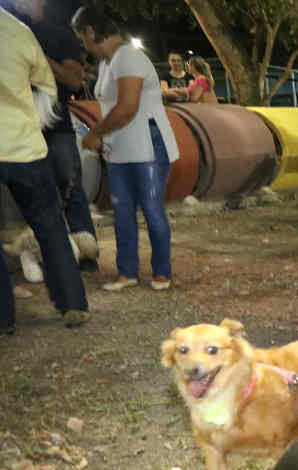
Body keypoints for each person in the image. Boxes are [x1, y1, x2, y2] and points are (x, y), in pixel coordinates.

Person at [72, 5, 180, 292]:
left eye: (82, 38)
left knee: (152, 209)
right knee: (122, 212)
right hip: (120, 146)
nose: (82, 44)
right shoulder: (108, 63)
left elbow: (128, 107)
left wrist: (95, 132)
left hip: (147, 144)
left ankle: (162, 272)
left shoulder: (129, 58)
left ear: (92, 32)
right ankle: (127, 272)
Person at [0, 5, 90, 333]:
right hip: (24, 147)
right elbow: (48, 85)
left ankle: (3, 319)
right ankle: (72, 303)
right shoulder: (18, 32)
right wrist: (33, 122)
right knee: (50, 227)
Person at [8, 0, 98, 269]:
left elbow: (74, 81)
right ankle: (36, 254)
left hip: (56, 128)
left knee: (69, 188)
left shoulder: (59, 35)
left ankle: (86, 252)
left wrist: (38, 59)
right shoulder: (8, 33)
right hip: (18, 130)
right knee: (25, 193)